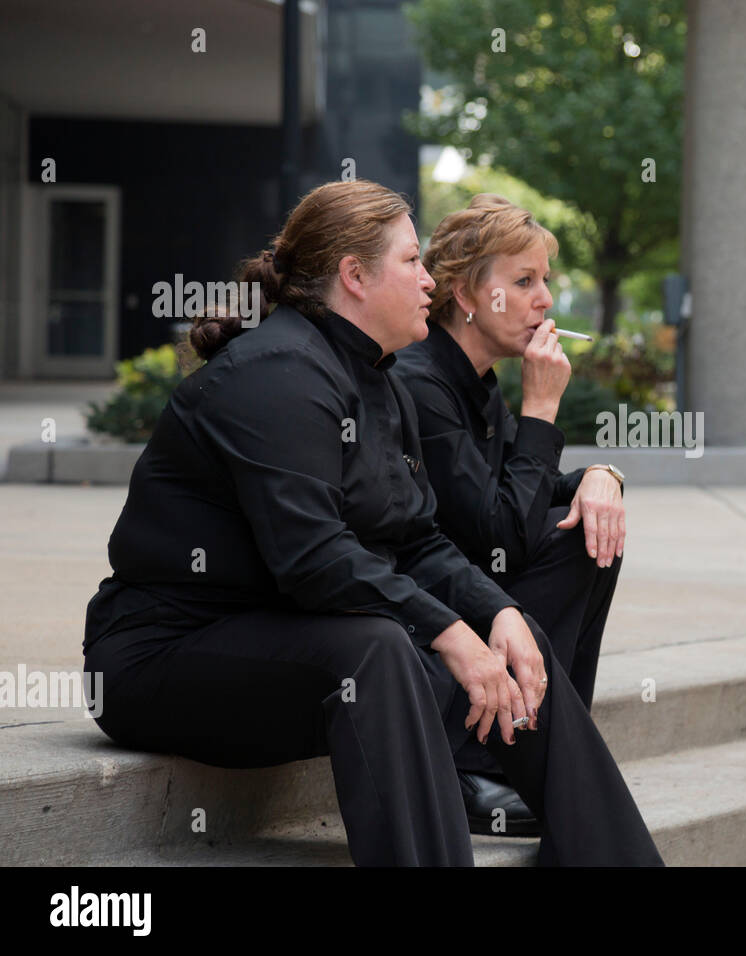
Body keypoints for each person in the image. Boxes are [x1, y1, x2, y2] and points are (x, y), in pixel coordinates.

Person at [81, 179, 663, 867]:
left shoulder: (375, 379)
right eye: (414, 262)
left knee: (512, 632)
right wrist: (452, 633)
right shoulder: (274, 373)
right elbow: (315, 558)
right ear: (354, 276)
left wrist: (495, 613)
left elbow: (413, 538)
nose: (430, 281)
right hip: (161, 659)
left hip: (284, 640)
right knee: (379, 645)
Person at [393, 194, 625, 835]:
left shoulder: (477, 379)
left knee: (594, 530)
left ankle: (548, 739)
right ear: (468, 294)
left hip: (467, 593)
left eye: (544, 280)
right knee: (571, 542)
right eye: (524, 282)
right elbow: (503, 537)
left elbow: (529, 488)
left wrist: (603, 477)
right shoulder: (422, 384)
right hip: (421, 615)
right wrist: (543, 411)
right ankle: (472, 762)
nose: (546, 299)